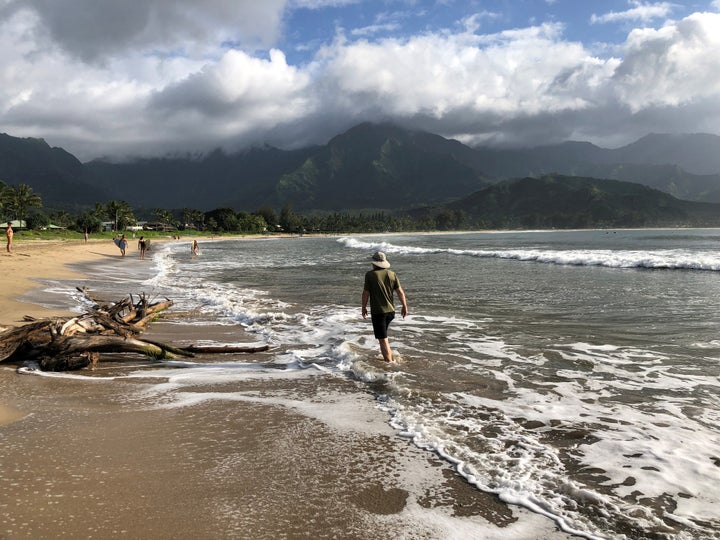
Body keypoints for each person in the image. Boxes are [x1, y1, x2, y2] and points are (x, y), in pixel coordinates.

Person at [361, 251, 409, 363]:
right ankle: (391, 358)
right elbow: (400, 292)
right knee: (384, 338)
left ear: (374, 263)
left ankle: (390, 365)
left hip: (379, 312)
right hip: (391, 312)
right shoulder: (392, 274)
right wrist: (404, 306)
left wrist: (363, 307)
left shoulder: (370, 275)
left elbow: (365, 293)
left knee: (382, 340)